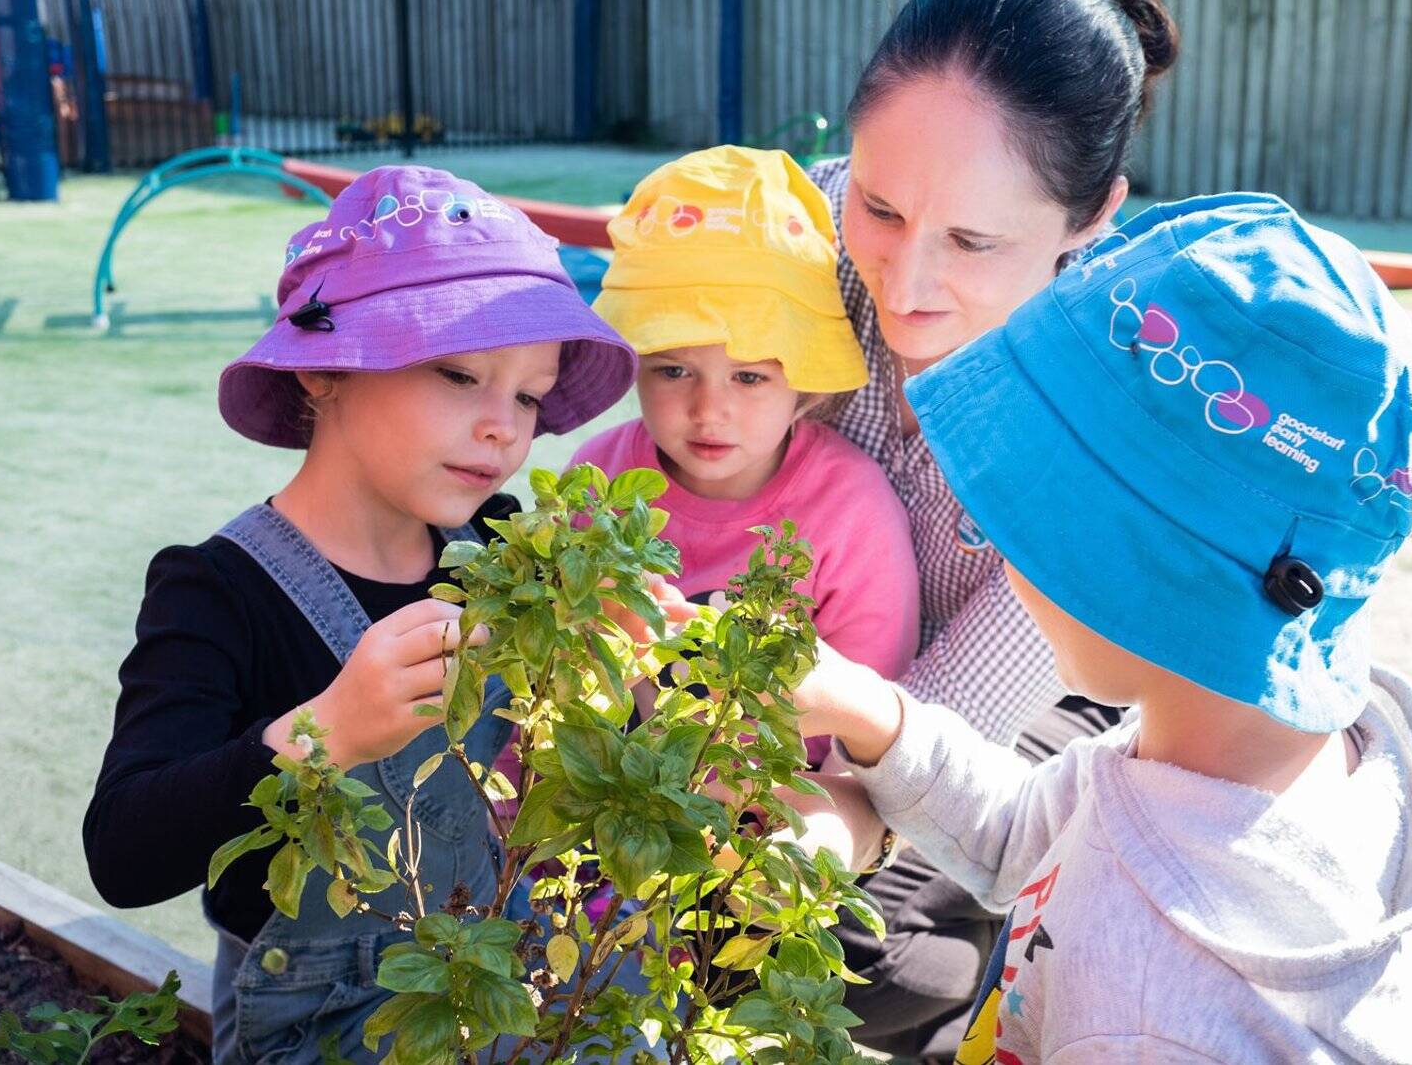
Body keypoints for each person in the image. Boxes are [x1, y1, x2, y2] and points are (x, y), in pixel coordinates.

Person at [795, 192, 1412, 1062]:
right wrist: (871, 715)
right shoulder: (1248, 761)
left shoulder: (1155, 1007)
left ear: (1139, 567)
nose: (995, 548)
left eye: (1018, 516)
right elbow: (1031, 839)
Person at [82, 166, 637, 1064]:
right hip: (315, 1024)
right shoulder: (217, 590)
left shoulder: (498, 547)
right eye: (461, 373)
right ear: (327, 371)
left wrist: (622, 663)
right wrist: (323, 733)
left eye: (530, 394)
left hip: (489, 975)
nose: (506, 427)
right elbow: (122, 849)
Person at [802, 0, 1180, 1050]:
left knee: (851, 937)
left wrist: (841, 812)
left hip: (1039, 687)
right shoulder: (785, 234)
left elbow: (958, 713)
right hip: (804, 640)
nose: (904, 283)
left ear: (1091, 216)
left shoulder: (1112, 404)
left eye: (973, 239)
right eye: (877, 207)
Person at [580, 144, 920, 749]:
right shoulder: (594, 479)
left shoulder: (851, 514)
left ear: (806, 385)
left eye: (750, 377)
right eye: (673, 371)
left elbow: (866, 723)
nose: (709, 411)